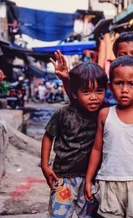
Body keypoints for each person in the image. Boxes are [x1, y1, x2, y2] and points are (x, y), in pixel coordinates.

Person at [84, 56, 133, 217]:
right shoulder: (105, 114)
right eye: (118, 83)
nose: (124, 89)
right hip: (108, 181)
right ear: (110, 86)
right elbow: (96, 149)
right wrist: (89, 179)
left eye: (131, 84)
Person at [40, 62, 108, 218]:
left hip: (92, 178)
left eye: (99, 91)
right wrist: (45, 165)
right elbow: (48, 136)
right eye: (86, 91)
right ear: (75, 93)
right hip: (63, 177)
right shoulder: (63, 113)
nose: (94, 97)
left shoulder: (105, 113)